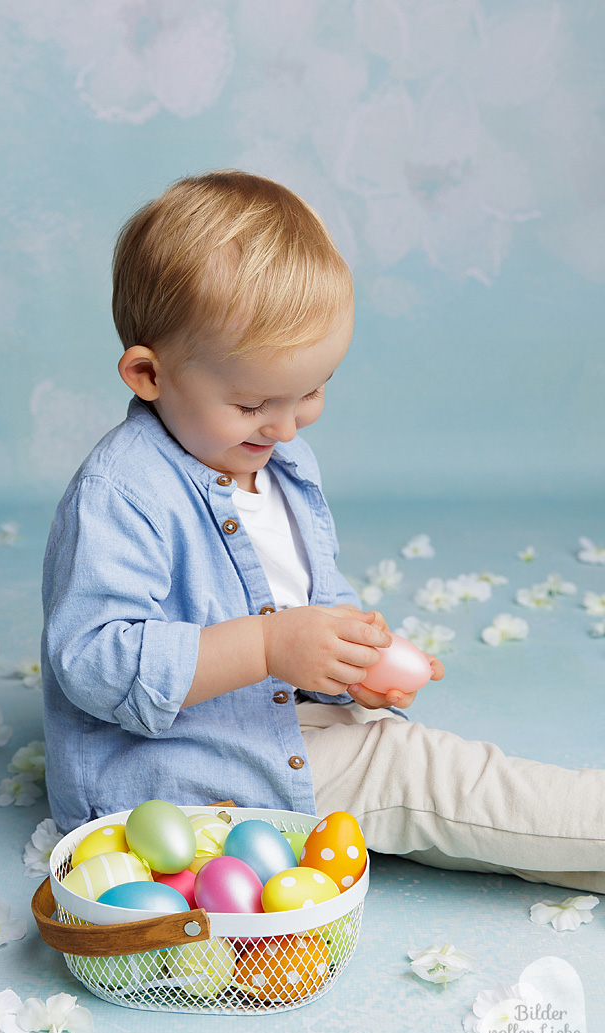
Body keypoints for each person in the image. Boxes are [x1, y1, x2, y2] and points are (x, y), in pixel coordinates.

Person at [42, 170, 604, 893]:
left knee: (442, 797)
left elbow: (310, 591)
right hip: (191, 771)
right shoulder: (121, 492)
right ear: (148, 374)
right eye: (251, 403)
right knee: (432, 776)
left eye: (310, 390)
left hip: (282, 723)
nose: (284, 426)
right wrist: (271, 645)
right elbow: (93, 661)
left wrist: (349, 666)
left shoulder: (278, 461)